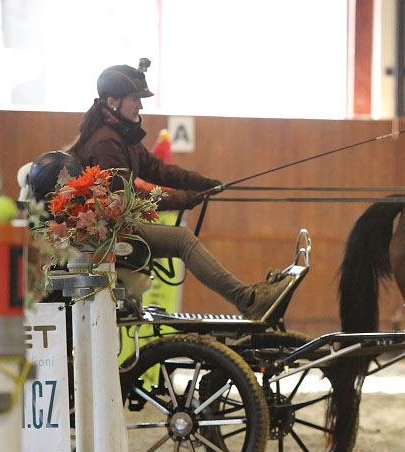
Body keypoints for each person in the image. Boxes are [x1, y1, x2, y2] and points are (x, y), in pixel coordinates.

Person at [62, 58, 290, 321]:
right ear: (113, 102)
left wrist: (200, 182)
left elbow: (157, 169)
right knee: (182, 240)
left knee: (181, 239)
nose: (140, 105)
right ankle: (247, 300)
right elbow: (128, 198)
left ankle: (247, 299)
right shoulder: (106, 142)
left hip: (114, 228)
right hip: (106, 235)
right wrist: (185, 199)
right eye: (135, 98)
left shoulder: (120, 135)